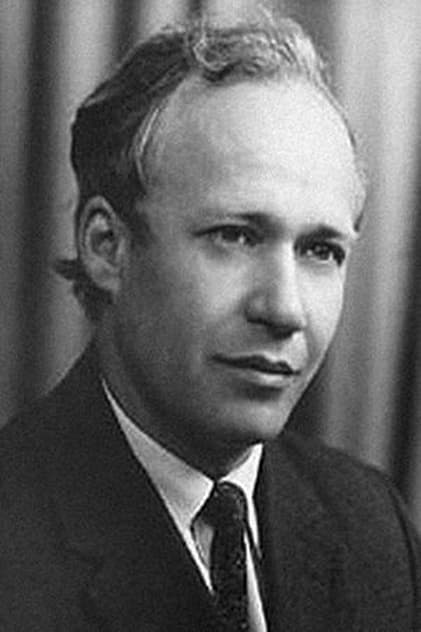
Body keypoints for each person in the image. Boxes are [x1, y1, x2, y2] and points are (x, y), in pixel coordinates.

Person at [1, 15, 420, 632]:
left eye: (321, 250)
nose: (285, 310)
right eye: (235, 236)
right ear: (106, 247)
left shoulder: (372, 526)